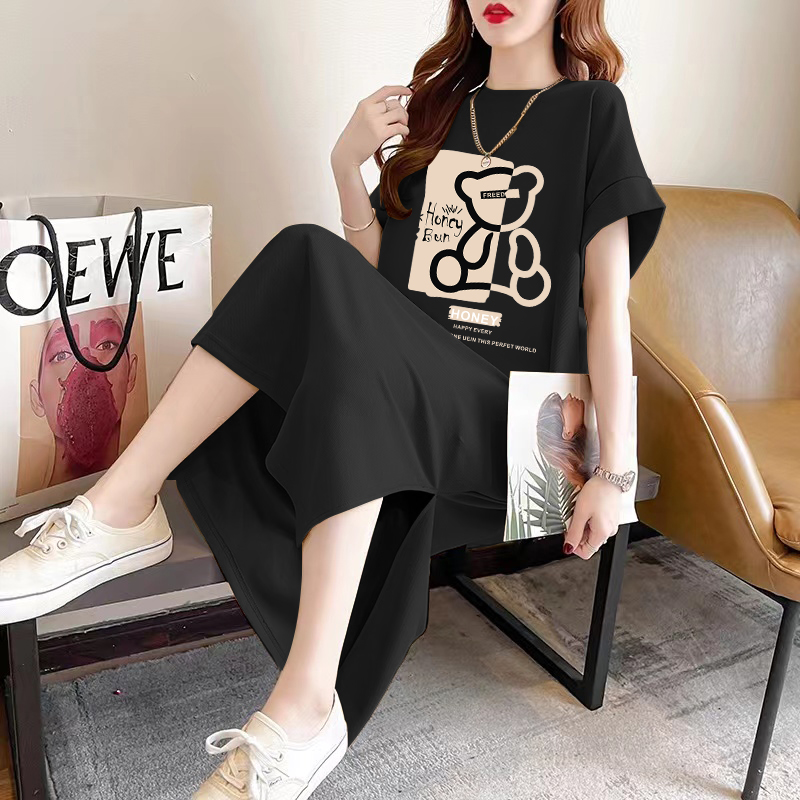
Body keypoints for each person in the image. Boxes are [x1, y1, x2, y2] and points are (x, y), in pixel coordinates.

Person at [1, 1, 666, 797]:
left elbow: (607, 305)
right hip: (413, 402)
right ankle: (289, 694)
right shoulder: (442, 113)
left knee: (310, 263)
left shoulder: (593, 111)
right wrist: (348, 170)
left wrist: (614, 473)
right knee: (309, 259)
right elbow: (381, 293)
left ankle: (136, 524)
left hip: (524, 430)